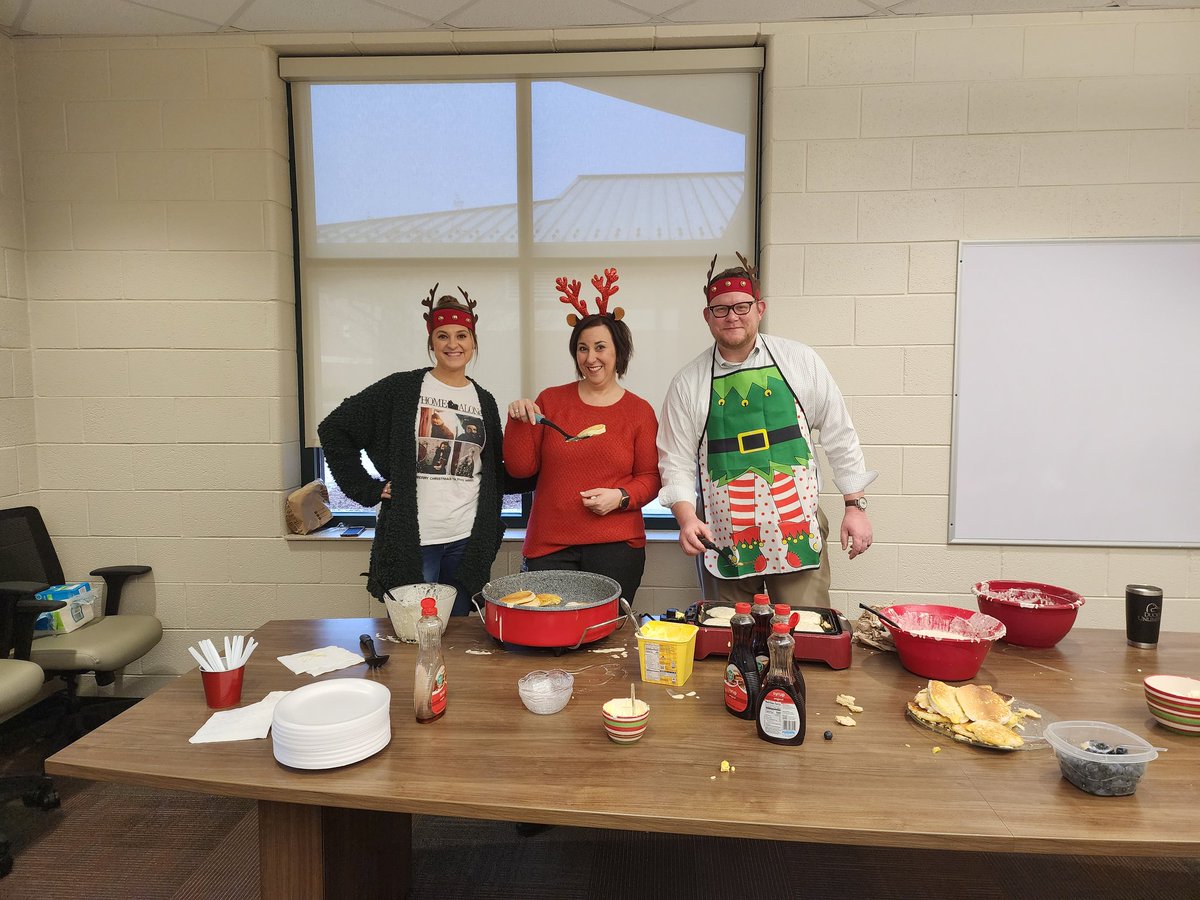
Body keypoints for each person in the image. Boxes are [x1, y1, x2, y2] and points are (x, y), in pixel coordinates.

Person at [657, 253, 876, 606]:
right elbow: (676, 461)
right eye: (721, 309)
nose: (732, 317)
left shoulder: (800, 361)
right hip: (723, 536)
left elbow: (839, 433)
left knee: (803, 631)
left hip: (796, 528)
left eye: (742, 306)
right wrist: (685, 518)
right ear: (707, 317)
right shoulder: (687, 383)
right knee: (730, 637)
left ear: (760, 308)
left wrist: (855, 506)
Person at [318, 285, 506, 616]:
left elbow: (493, 470)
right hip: (416, 541)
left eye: (462, 335)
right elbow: (334, 429)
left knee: (460, 636)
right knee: (413, 635)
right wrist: (368, 489)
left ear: (474, 342)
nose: (453, 344)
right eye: (443, 336)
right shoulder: (401, 389)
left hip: (467, 540)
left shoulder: (484, 400)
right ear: (431, 342)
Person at [504, 268, 660, 604]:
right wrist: (517, 419)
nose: (591, 358)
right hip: (550, 545)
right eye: (582, 349)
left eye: (600, 347)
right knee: (548, 639)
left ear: (618, 351)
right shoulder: (551, 400)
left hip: (617, 546)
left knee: (604, 636)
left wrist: (619, 496)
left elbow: (650, 478)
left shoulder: (639, 411)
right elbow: (519, 469)